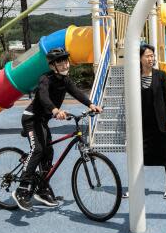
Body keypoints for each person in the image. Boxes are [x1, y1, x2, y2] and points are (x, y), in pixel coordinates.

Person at [14, 47, 102, 210]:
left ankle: (41, 189)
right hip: (32, 118)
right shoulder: (45, 79)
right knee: (38, 150)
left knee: (49, 151)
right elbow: (43, 96)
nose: (65, 65)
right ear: (53, 66)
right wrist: (55, 110)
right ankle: (22, 189)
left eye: (66, 61)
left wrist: (91, 105)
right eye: (60, 62)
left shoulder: (65, 80)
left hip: (43, 121)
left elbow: (76, 92)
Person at [123, 44, 166, 200]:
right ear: (140, 58)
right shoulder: (134, 76)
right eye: (147, 55)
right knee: (137, 156)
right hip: (141, 123)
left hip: (160, 121)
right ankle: (135, 187)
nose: (151, 58)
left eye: (152, 55)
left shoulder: (161, 75)